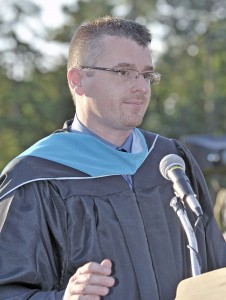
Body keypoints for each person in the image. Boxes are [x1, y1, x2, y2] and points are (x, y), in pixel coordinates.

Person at [0, 16, 226, 300]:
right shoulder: (36, 177)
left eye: (146, 75)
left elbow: (216, 267)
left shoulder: (170, 162)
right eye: (123, 72)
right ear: (78, 80)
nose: (142, 88)